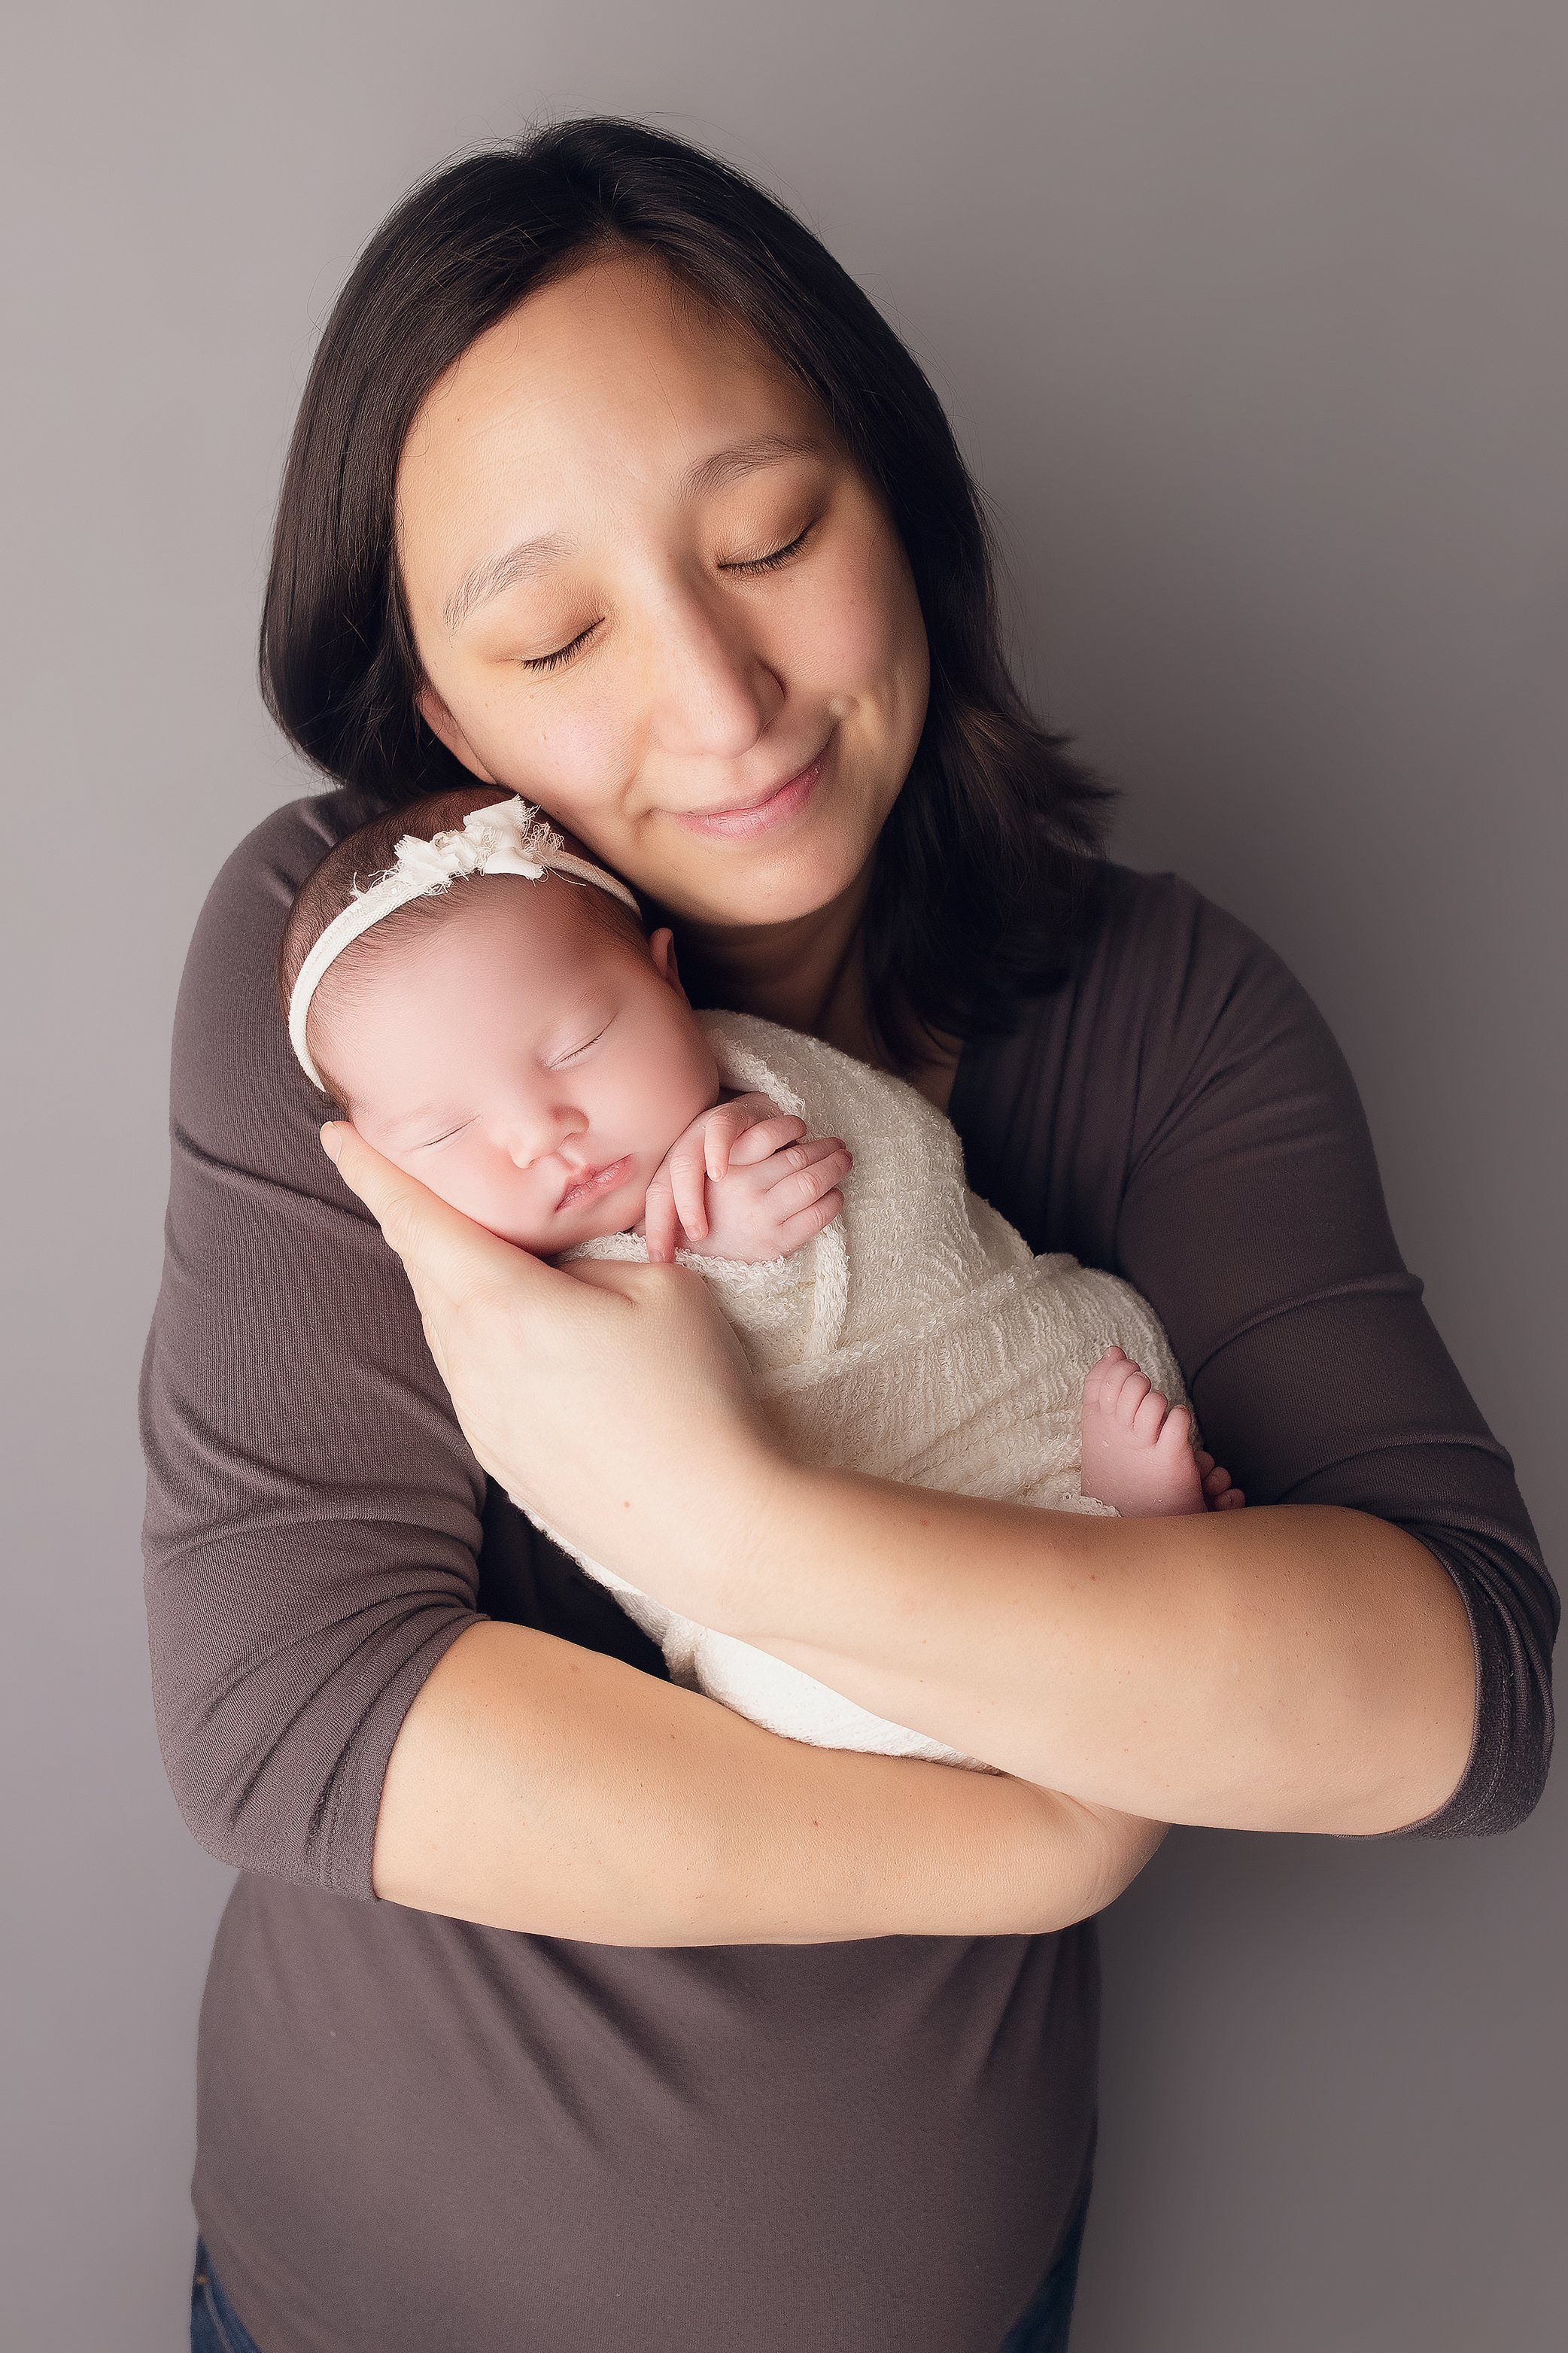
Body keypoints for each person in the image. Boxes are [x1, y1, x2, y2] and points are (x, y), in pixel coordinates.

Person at [143, 119, 1554, 2353]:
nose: (716, 705)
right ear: (442, 726)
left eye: (774, 534)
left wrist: (730, 1517)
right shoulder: (362, 983)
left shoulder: (1164, 1017)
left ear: (904, 504)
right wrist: (1048, 1844)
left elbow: (1453, 1696)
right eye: (553, 632)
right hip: (334, 2294)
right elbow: (290, 1717)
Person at [277, 783, 1239, 1769]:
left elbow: (892, 1170)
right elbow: (600, 1473)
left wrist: (752, 1143)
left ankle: (1128, 1530)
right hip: (820, 1596)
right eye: (444, 1131)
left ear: (666, 982)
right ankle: (1130, 1571)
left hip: (992, 1411)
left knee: (1108, 1386)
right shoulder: (498, 1297)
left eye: (577, 1046)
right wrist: (698, 1262)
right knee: (804, 1688)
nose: (538, 1136)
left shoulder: (758, 1078)